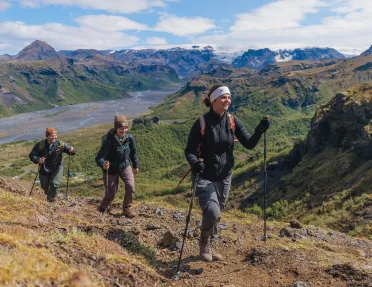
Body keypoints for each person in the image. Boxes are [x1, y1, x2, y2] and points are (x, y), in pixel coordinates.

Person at [185, 84, 270, 262]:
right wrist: (194, 163)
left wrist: (259, 131)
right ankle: (204, 243)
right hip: (204, 175)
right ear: (214, 100)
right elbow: (190, 151)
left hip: (225, 176)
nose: (227, 100)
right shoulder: (201, 122)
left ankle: (210, 242)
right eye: (224, 97)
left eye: (229, 97)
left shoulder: (232, 120)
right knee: (212, 213)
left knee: (217, 213)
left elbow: (249, 143)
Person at [95, 114, 139, 218]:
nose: (123, 131)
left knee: (130, 186)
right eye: (121, 128)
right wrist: (103, 164)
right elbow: (99, 158)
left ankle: (126, 209)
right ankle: (102, 209)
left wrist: (135, 165)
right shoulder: (108, 140)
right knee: (111, 193)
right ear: (116, 128)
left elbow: (133, 153)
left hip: (125, 165)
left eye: (125, 128)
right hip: (111, 169)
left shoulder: (129, 138)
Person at [29, 128, 76, 202]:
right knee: (44, 187)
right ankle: (48, 197)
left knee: (55, 184)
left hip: (57, 168)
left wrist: (72, 150)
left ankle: (52, 201)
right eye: (52, 136)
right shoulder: (40, 145)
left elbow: (72, 151)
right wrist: (38, 160)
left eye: (55, 135)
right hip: (44, 168)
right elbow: (32, 155)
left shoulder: (60, 144)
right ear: (47, 136)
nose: (54, 137)